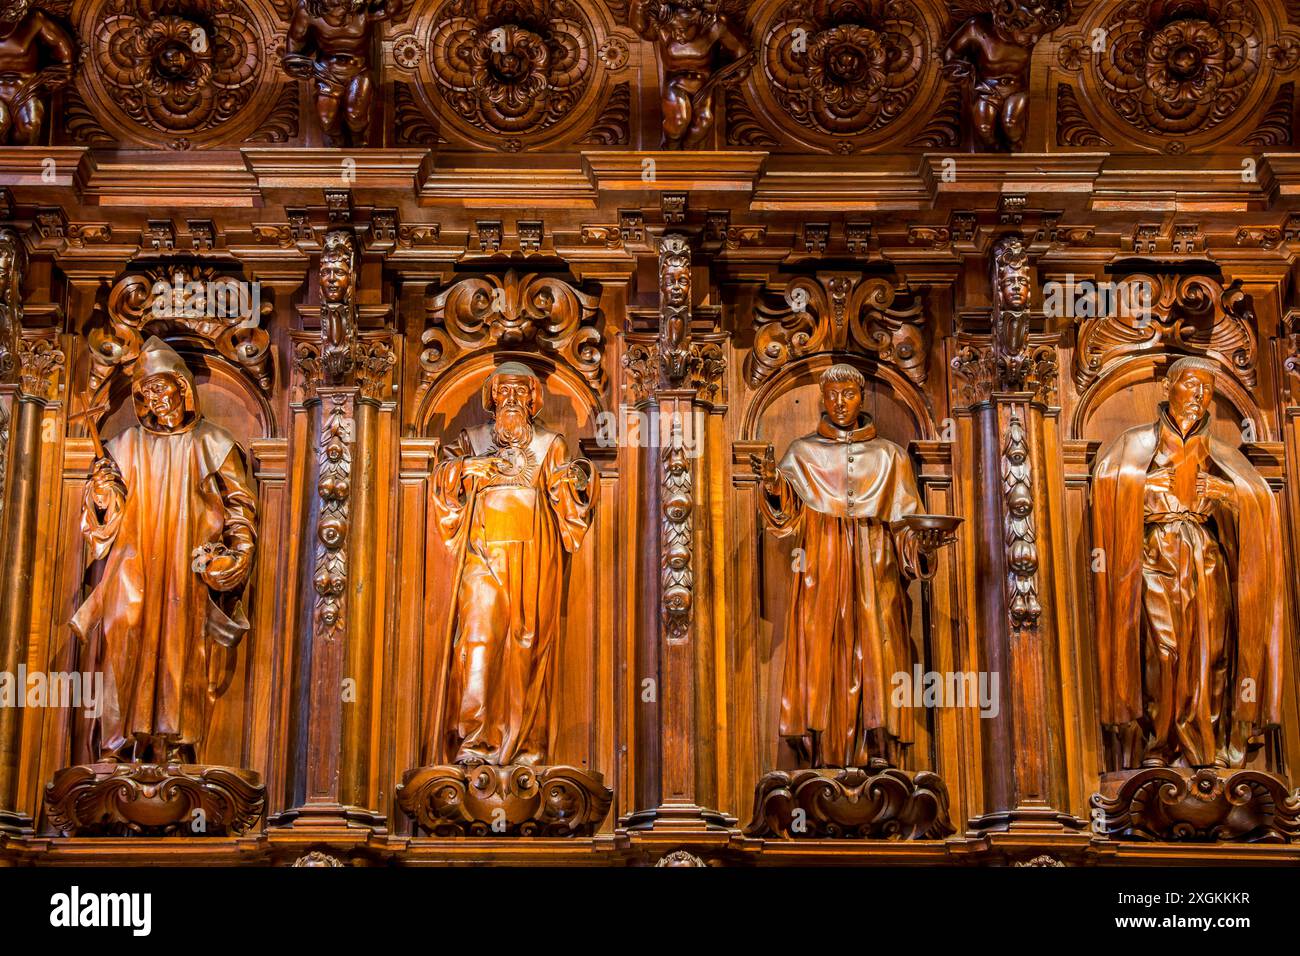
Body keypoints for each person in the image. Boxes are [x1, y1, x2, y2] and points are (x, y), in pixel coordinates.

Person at [750, 364, 949, 768]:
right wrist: (773, 486)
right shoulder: (802, 453)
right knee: (823, 654)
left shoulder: (890, 457)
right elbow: (785, 515)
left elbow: (907, 526)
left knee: (877, 653)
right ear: (822, 399)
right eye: (832, 394)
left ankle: (879, 747)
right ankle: (822, 751)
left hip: (877, 572)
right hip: (821, 568)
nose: (840, 403)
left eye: (849, 394)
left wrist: (922, 544)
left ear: (862, 398)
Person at [1091, 357, 1285, 770]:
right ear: (1168, 386)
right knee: (1164, 650)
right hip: (1153, 554)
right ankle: (1159, 746)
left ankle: (1206, 748)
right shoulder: (1133, 445)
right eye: (1191, 385)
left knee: (1211, 653)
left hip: (1205, 556)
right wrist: (1139, 488)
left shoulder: (1222, 453)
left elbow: (1260, 504)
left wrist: (1224, 492)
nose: (1199, 396)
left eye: (1208, 390)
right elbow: (1105, 491)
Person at [71, 338, 258, 764]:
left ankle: (176, 745)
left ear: (182, 387)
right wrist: (102, 496)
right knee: (122, 639)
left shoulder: (214, 442)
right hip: (132, 567)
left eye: (161, 387)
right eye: (146, 391)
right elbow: (106, 509)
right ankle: (117, 746)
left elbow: (240, 507)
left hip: (183, 569)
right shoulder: (125, 445)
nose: (155, 398)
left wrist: (238, 554)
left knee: (182, 650)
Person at [429, 362, 596, 766]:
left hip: (534, 560)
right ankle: (475, 745)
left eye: (521, 392)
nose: (512, 399)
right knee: (478, 643)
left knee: (527, 650)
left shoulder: (550, 443)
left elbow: (568, 496)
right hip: (482, 556)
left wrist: (575, 480)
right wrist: (466, 471)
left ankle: (525, 750)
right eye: (504, 391)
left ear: (533, 400)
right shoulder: (472, 440)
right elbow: (441, 480)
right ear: (491, 398)